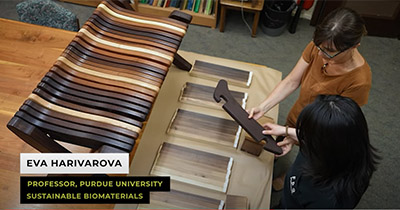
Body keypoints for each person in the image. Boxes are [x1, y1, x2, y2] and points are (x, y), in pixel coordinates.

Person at [248, 7, 372, 190]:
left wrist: (293, 135)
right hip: (298, 115)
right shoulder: (319, 46)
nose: (321, 55)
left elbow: (330, 130)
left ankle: (289, 177)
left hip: (321, 134)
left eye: (329, 52)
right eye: (319, 47)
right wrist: (264, 107)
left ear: (354, 47)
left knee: (308, 163)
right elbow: (292, 81)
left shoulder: (359, 82)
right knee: (279, 144)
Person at [263, 95, 379, 208]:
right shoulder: (335, 146)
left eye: (309, 133)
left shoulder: (328, 201)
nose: (303, 136)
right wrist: (286, 130)